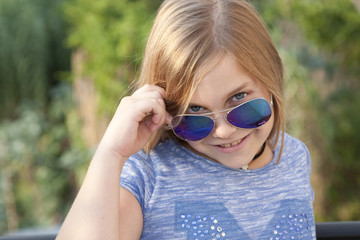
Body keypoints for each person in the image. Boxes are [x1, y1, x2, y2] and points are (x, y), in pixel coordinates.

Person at [56, 0, 316, 239]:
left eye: (239, 98)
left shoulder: (293, 157)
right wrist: (111, 153)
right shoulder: (148, 176)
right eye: (194, 110)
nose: (223, 131)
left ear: (271, 80)